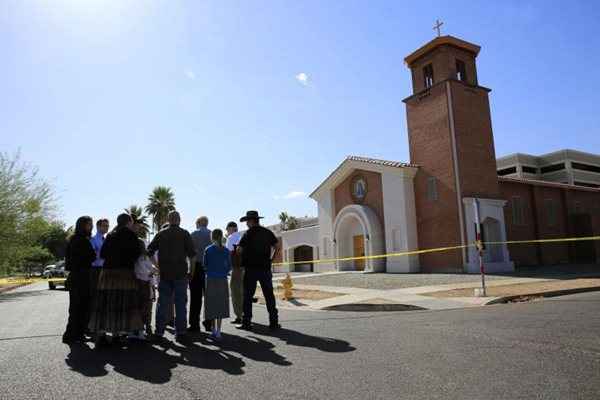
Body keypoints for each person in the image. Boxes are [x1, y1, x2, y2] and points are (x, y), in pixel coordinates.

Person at [89, 213, 143, 346]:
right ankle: (116, 335)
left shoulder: (110, 236)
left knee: (105, 304)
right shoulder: (132, 236)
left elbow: (102, 254)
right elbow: (136, 254)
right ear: (129, 222)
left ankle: (101, 335)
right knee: (122, 304)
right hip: (125, 274)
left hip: (107, 274)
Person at [147, 211, 196, 341]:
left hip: (165, 274)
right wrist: (192, 272)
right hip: (180, 274)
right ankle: (181, 333)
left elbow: (149, 252)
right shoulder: (184, 234)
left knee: (162, 304)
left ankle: (159, 332)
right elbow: (192, 256)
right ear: (179, 220)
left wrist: (157, 267)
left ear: (168, 220)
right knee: (180, 304)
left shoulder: (161, 233)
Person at [237, 210, 280, 331]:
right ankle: (274, 322)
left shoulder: (247, 234)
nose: (246, 224)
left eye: (247, 221)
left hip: (250, 269)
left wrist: (240, 253)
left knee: (248, 296)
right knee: (269, 295)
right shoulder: (267, 232)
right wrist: (272, 259)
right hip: (265, 268)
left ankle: (246, 322)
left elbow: (239, 250)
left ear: (251, 221)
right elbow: (277, 246)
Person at [63, 216, 96, 344]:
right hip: (80, 277)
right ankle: (73, 335)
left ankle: (76, 334)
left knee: (78, 307)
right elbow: (91, 256)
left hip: (77, 277)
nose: (91, 227)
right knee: (79, 307)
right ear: (83, 226)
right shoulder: (81, 241)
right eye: (89, 224)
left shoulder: (74, 240)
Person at [203, 229, 231, 340]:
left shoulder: (208, 250)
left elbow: (205, 265)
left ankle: (213, 330)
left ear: (212, 237)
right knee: (220, 305)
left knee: (211, 305)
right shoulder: (225, 250)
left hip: (210, 279)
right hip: (222, 279)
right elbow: (229, 266)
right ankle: (219, 331)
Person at [132, 222, 158, 339]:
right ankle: (144, 328)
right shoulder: (142, 258)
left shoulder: (140, 258)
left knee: (141, 307)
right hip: (145, 284)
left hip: (143, 284)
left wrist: (153, 270)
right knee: (146, 307)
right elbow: (147, 270)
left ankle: (143, 328)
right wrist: (153, 271)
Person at [189, 216, 212, 332]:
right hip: (210, 268)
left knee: (195, 298)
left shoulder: (193, 234)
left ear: (198, 223)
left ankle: (194, 324)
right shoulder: (212, 234)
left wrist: (191, 272)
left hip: (197, 267)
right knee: (209, 297)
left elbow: (191, 256)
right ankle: (209, 323)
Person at [89, 218, 109, 328]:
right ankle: (93, 325)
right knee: (96, 297)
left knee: (103, 297)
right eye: (104, 225)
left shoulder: (105, 239)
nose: (106, 227)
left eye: (107, 225)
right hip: (96, 270)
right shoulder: (93, 240)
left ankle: (102, 323)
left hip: (105, 269)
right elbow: (93, 255)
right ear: (98, 227)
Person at [225, 221, 244, 324]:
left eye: (227, 229)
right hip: (245, 268)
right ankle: (246, 314)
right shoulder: (242, 236)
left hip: (236, 268)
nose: (227, 232)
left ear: (231, 228)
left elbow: (228, 254)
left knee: (235, 292)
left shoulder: (231, 237)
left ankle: (239, 316)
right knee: (243, 291)